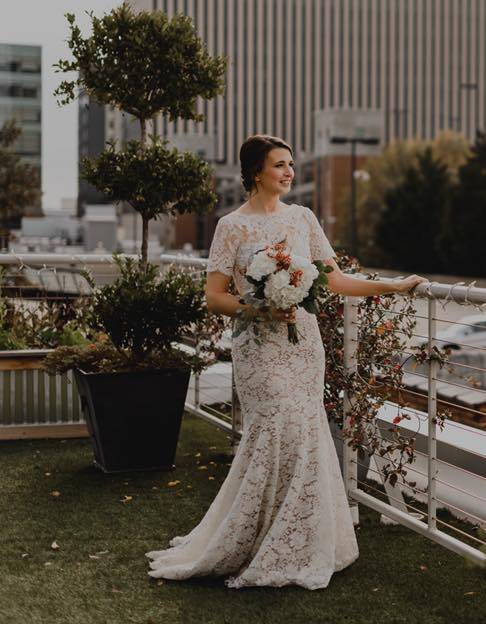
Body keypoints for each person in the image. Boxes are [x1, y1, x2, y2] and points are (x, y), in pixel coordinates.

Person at [145, 134, 426, 589]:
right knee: (272, 431)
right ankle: (253, 540)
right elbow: (214, 297)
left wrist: (391, 287)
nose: (289, 172)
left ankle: (297, 542)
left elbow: (334, 280)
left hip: (303, 347)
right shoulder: (231, 227)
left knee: (304, 436)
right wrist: (257, 309)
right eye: (279, 164)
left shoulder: (303, 218)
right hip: (258, 349)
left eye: (291, 164)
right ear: (256, 172)